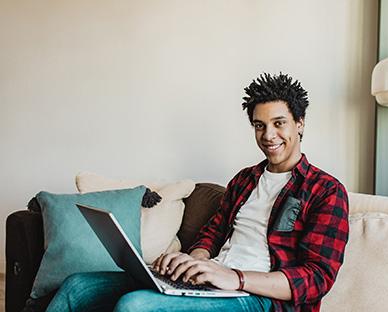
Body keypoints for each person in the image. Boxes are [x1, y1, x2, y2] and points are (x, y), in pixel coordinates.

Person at [46, 73, 349, 312]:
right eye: (259, 125)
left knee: (135, 306)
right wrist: (193, 261)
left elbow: (317, 277)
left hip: (258, 299)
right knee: (77, 287)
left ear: (300, 123)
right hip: (213, 281)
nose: (268, 135)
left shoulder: (326, 191)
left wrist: (235, 278)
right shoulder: (245, 180)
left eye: (279, 123)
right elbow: (213, 232)